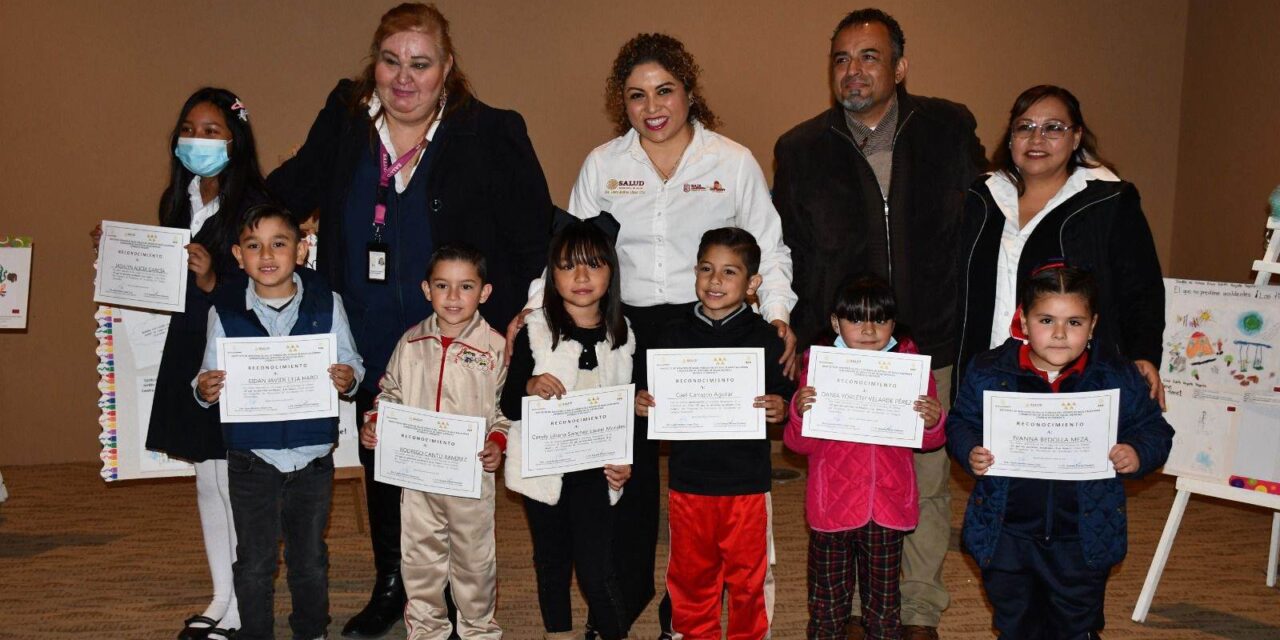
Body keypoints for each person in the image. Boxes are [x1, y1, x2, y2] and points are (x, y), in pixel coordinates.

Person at [266, 4, 552, 635]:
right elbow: (282, 193)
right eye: (391, 61)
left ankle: (460, 587)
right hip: (372, 335)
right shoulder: (345, 120)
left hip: (459, 338)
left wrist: (524, 319)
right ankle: (394, 580)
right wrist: (197, 231)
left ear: (446, 70)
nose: (403, 77)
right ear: (375, 63)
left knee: (459, 470)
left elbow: (536, 238)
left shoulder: (493, 132)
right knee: (384, 458)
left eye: (420, 64)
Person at [511, 32, 798, 631]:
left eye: (665, 90)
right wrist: (536, 309)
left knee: (708, 475)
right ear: (624, 103)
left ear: (689, 92)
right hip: (627, 327)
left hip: (710, 328)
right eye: (637, 95)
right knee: (626, 467)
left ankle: (689, 596)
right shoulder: (604, 164)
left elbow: (770, 250)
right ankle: (627, 591)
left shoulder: (732, 161)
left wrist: (777, 314)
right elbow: (572, 250)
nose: (653, 106)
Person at [773, 9, 985, 638]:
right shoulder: (800, 148)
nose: (853, 71)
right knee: (843, 479)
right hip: (838, 348)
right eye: (840, 58)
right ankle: (841, 606)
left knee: (922, 481)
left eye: (868, 56)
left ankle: (914, 610)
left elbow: (983, 225)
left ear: (899, 64)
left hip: (928, 340)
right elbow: (788, 250)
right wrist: (790, 328)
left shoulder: (948, 127)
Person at [946, 264, 1173, 638]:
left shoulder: (1115, 376)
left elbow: (1154, 430)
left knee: (1075, 624)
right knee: (1014, 621)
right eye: (1046, 319)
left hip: (1082, 536)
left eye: (1075, 322)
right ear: (1023, 319)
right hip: (1007, 533)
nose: (1059, 334)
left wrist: (1137, 453)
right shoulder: (989, 371)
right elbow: (960, 421)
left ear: (1094, 325)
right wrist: (970, 449)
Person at [193, 204, 365, 640]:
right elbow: (205, 375)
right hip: (251, 459)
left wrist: (349, 378)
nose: (266, 254)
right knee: (254, 561)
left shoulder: (328, 303)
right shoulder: (225, 311)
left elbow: (352, 361)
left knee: (309, 559)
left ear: (302, 250)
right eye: (253, 245)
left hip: (311, 459)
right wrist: (204, 388)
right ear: (237, 255)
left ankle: (311, 631)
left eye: (279, 243)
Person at [134, 87, 269, 640]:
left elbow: (265, 284)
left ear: (236, 138)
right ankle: (222, 594)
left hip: (231, 352)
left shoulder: (255, 202)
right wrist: (125, 255)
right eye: (190, 127)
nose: (198, 139)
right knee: (206, 481)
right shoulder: (177, 197)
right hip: (188, 347)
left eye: (212, 130)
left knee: (233, 481)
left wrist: (214, 277)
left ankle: (241, 605)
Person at [955, 85, 1166, 409]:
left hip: (1076, 384)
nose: (1036, 139)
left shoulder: (1109, 201)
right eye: (1025, 127)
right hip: (988, 377)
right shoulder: (982, 197)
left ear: (1077, 137)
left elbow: (1142, 291)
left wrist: (1144, 355)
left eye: (1053, 128)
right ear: (1011, 138)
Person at [635, 228, 794, 640]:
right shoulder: (671, 334)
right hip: (689, 484)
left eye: (729, 271)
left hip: (747, 486)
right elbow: (646, 393)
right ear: (694, 272)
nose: (715, 281)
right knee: (690, 582)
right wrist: (642, 402)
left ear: (753, 283)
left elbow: (785, 398)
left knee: (749, 582)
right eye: (706, 269)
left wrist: (780, 407)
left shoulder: (766, 339)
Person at [358, 244, 509, 639]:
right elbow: (388, 393)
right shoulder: (410, 344)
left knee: (474, 562)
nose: (453, 297)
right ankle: (427, 630)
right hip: (418, 480)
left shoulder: (495, 348)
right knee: (420, 560)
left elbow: (504, 410)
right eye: (443, 286)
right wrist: (376, 421)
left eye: (465, 287)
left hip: (471, 481)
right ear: (427, 290)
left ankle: (477, 629)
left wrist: (497, 442)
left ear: (485, 292)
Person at [785, 275, 945, 640]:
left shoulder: (911, 367)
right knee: (827, 604)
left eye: (880, 319)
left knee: (884, 606)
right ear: (835, 322)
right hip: (832, 509)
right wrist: (798, 411)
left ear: (893, 322)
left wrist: (934, 421)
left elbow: (929, 441)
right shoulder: (818, 366)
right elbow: (798, 446)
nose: (869, 329)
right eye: (856, 319)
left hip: (887, 506)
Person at [502, 214, 635, 640]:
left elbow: (627, 410)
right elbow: (508, 403)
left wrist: (625, 462)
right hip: (544, 473)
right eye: (567, 265)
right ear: (550, 274)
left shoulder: (625, 335)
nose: (581, 276)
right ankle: (557, 633)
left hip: (596, 474)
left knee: (597, 570)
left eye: (594, 264)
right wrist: (530, 384)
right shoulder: (535, 331)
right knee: (551, 562)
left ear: (611, 272)